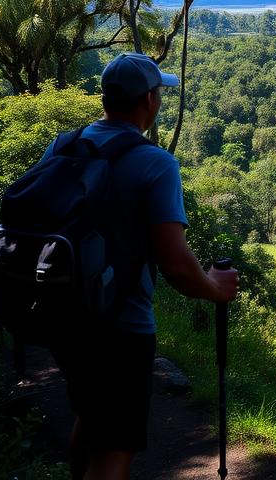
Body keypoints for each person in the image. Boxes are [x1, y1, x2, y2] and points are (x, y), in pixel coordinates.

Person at [45, 52, 240, 480]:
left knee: (91, 413)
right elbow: (176, 264)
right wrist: (215, 286)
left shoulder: (64, 144)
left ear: (106, 98)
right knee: (115, 449)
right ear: (150, 101)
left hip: (62, 315)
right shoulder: (155, 163)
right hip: (121, 326)